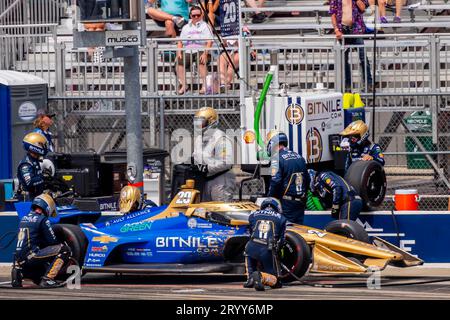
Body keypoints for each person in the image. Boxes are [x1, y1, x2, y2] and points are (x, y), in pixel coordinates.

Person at [11, 194, 72, 288]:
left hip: (19, 259)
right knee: (64, 249)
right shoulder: (43, 219)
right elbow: (52, 241)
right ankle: (48, 279)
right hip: (32, 256)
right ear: (47, 207)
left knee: (40, 274)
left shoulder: (23, 219)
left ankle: (19, 273)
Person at [192, 106, 236, 201]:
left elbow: (226, 162)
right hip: (205, 179)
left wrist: (207, 168)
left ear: (211, 122)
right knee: (203, 211)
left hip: (221, 179)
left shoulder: (221, 138)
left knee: (220, 211)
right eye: (197, 122)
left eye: (201, 122)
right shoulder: (199, 138)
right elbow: (197, 156)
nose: (198, 126)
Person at [244, 197, 286, 291]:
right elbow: (282, 239)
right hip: (267, 248)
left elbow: (250, 232)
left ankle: (250, 278)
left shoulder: (253, 215)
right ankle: (260, 276)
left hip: (251, 245)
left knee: (249, 254)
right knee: (276, 282)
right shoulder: (281, 218)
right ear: (277, 208)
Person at [330, 0, 373, 91]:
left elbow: (363, 8)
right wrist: (336, 29)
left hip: (356, 30)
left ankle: (368, 83)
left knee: (363, 58)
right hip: (343, 30)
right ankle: (348, 85)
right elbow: (333, 14)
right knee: (344, 60)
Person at [266, 130, 308, 225]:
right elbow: (307, 179)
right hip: (300, 202)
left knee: (286, 232)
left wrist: (270, 199)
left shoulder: (276, 159)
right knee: (298, 232)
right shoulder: (299, 157)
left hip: (286, 204)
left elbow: (275, 181)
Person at [176, 5, 214, 94]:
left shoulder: (206, 26)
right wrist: (179, 52)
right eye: (194, 15)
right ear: (190, 16)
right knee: (179, 62)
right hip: (188, 50)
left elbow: (210, 41)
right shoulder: (185, 27)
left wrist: (205, 53)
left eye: (198, 15)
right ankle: (184, 85)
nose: (196, 17)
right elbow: (180, 42)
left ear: (201, 15)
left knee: (201, 61)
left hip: (201, 49)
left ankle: (205, 85)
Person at [16, 132, 49, 200]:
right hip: (28, 200)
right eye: (41, 144)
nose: (44, 146)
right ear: (35, 146)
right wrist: (43, 177)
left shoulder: (34, 160)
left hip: (36, 196)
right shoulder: (26, 164)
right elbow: (29, 182)